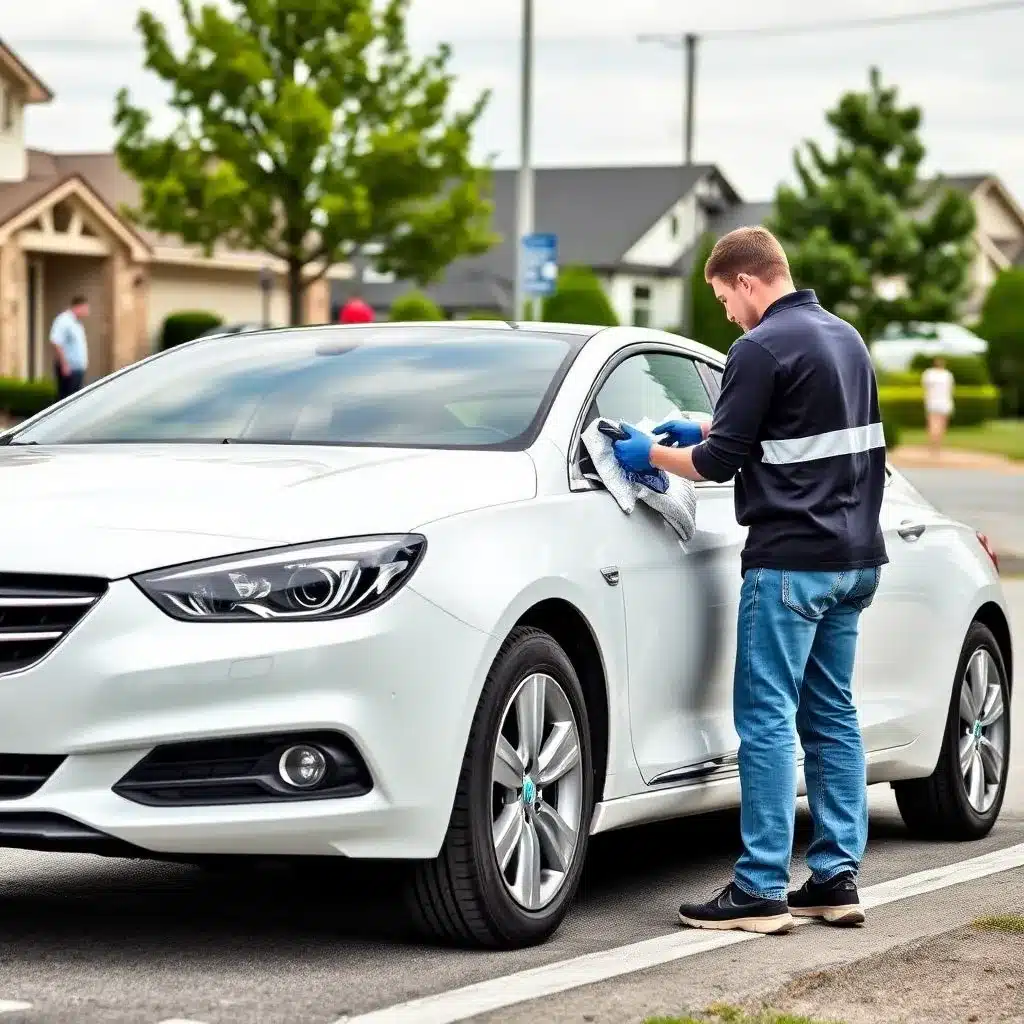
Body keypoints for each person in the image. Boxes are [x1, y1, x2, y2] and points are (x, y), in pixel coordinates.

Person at [611, 226, 888, 935]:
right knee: (831, 717)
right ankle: (835, 878)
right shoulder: (845, 340)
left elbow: (718, 465)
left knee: (765, 719)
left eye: (723, 298)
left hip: (790, 560)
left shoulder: (758, 347)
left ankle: (761, 887)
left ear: (744, 280)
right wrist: (704, 423)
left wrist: (652, 452)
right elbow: (797, 430)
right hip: (853, 559)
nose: (727, 314)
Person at [50, 294, 89, 400]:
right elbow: (56, 342)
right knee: (66, 400)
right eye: (85, 308)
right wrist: (64, 364)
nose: (87, 311)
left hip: (77, 369)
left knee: (75, 400)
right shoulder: (63, 320)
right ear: (78, 307)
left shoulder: (77, 323)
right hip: (69, 369)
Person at [921, 356, 955, 458]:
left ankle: (934, 445)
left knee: (934, 424)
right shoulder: (946, 375)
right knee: (938, 424)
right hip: (941, 402)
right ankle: (936, 445)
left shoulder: (929, 374)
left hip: (936, 402)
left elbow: (925, 387)